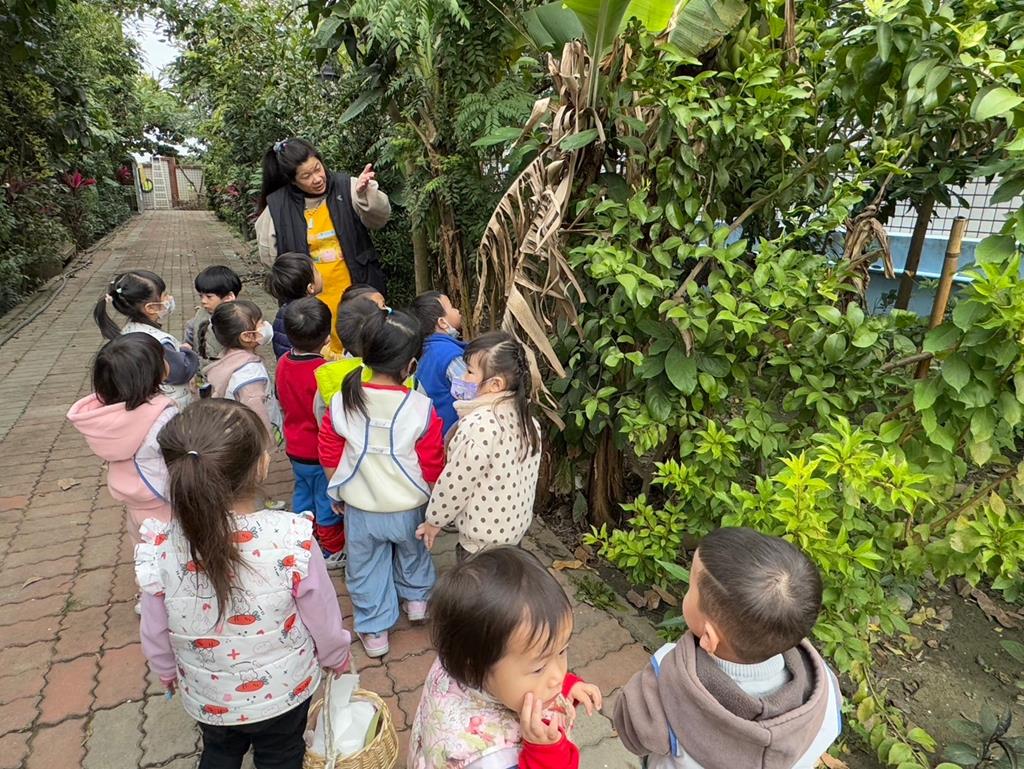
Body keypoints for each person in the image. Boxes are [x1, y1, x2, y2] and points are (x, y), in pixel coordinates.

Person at [135, 399, 351, 769]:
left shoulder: (160, 547)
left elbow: (154, 628)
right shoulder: (292, 538)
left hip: (210, 696)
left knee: (219, 753)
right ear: (262, 466)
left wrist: (166, 671)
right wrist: (336, 656)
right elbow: (323, 616)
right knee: (282, 755)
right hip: (284, 692)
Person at [612, 527, 843, 769]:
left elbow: (632, 734)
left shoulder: (664, 679)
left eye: (690, 587)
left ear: (709, 637)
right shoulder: (825, 688)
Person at [318, 308, 444, 657]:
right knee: (414, 554)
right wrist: (433, 500)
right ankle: (417, 601)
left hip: (361, 508)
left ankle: (374, 632)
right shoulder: (421, 407)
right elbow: (432, 460)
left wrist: (336, 491)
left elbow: (329, 452)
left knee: (365, 568)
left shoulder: (342, 400)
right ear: (410, 365)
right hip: (409, 506)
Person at [407, 546, 602, 769]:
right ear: (476, 666)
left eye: (562, 651)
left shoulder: (460, 655)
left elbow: (526, 668)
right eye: (539, 668)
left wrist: (566, 687)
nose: (558, 675)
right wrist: (546, 755)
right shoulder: (490, 759)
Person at [255, 138, 391, 356]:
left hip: (356, 290)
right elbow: (271, 258)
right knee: (319, 355)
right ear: (292, 181)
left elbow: (380, 219)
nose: (317, 178)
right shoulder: (277, 207)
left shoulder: (347, 186)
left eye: (317, 168)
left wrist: (366, 194)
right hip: (311, 301)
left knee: (363, 349)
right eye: (306, 176)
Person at [416, 332, 542, 561]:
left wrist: (434, 521)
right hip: (513, 534)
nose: (462, 377)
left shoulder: (479, 425)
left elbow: (455, 483)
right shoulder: (530, 422)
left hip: (479, 543)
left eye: (470, 371)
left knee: (476, 585)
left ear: (496, 384)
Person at [67, 333, 177, 542]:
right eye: (162, 358)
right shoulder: (163, 415)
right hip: (165, 501)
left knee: (145, 550)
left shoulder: (104, 417)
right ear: (153, 372)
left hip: (134, 503)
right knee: (175, 553)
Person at [275, 296, 346, 569]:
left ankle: (301, 538)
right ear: (327, 338)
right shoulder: (323, 372)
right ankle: (331, 550)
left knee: (303, 493)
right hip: (318, 452)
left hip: (294, 447)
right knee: (326, 500)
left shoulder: (283, 362)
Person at [94, 269, 199, 409]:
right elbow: (181, 372)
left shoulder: (128, 331)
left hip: (147, 401)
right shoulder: (158, 342)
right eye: (165, 295)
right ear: (150, 308)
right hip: (172, 404)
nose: (169, 298)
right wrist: (187, 352)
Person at [202, 300, 283, 445]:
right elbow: (258, 417)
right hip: (254, 442)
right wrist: (267, 446)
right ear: (247, 336)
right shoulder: (251, 377)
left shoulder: (225, 357)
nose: (266, 326)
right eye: (260, 323)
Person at [411, 291, 466, 435]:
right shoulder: (451, 355)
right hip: (454, 432)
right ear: (442, 323)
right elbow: (470, 395)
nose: (457, 310)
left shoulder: (423, 350)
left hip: (435, 432)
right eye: (451, 307)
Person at [266, 252, 324, 359]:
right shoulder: (308, 316)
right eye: (316, 271)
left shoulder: (283, 311)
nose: (321, 274)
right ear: (310, 287)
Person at [184, 265, 243, 364]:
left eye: (209, 297)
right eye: (201, 296)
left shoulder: (238, 319)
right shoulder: (202, 312)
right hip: (201, 367)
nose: (203, 301)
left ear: (229, 297)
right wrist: (188, 344)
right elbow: (192, 328)